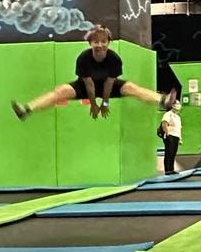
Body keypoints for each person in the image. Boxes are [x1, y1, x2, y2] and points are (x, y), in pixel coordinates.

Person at [11, 25, 176, 121]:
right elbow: (89, 85)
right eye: (96, 42)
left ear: (108, 43)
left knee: (131, 88)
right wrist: (93, 104)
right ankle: (27, 109)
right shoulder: (83, 58)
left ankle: (162, 100)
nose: (100, 45)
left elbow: (110, 84)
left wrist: (105, 103)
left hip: (108, 86)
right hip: (85, 86)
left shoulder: (114, 59)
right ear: (90, 43)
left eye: (103, 41)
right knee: (60, 91)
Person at [160, 100, 182, 176]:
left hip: (176, 136)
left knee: (173, 153)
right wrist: (167, 134)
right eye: (177, 104)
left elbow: (179, 128)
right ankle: (167, 170)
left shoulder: (178, 117)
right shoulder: (168, 114)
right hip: (170, 135)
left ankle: (171, 169)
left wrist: (180, 139)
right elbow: (164, 124)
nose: (179, 105)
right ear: (172, 105)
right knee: (169, 153)